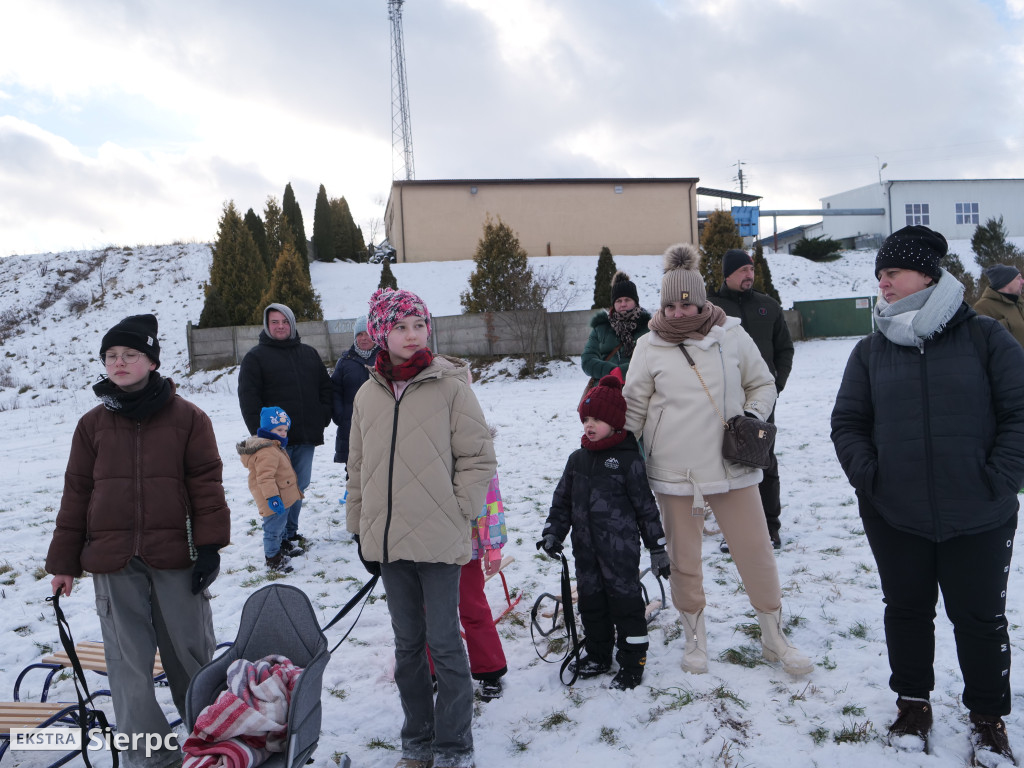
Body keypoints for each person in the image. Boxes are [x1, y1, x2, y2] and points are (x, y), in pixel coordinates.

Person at [831, 225, 1024, 763]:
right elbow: (847, 422)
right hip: (895, 513)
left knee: (981, 620)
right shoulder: (871, 351)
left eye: (892, 272)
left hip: (980, 512)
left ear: (927, 275)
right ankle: (912, 704)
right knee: (907, 611)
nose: (883, 283)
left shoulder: (986, 337)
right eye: (880, 275)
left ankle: (987, 719)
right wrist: (871, 478)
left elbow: (1019, 412)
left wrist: (999, 477)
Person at [45, 314, 230, 768]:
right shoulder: (92, 426)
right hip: (113, 561)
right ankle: (149, 760)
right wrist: (63, 562)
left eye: (130, 355)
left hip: (176, 558)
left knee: (191, 658)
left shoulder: (189, 418)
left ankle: (213, 747)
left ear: (151, 361)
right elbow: (77, 494)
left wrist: (208, 548)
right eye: (111, 356)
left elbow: (206, 485)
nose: (120, 362)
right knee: (128, 669)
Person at [623, 243, 812, 677]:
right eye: (668, 305)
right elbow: (633, 407)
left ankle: (773, 637)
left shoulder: (733, 335)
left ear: (702, 301)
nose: (676, 314)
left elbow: (763, 384)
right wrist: (614, 453)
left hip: (734, 465)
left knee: (757, 553)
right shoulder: (648, 347)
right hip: (676, 473)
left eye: (685, 304)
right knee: (684, 560)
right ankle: (694, 639)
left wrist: (751, 418)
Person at [346, 288, 496, 768]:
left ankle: (454, 746)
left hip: (439, 537)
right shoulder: (367, 394)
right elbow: (357, 467)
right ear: (379, 333)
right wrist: (361, 528)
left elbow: (478, 457)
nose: (412, 335)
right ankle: (418, 739)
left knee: (445, 643)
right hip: (389, 544)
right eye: (400, 327)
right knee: (407, 647)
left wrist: (459, 509)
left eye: (418, 325)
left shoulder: (450, 385)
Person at [539, 370, 670, 690]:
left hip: (620, 553)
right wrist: (553, 532)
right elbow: (562, 502)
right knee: (591, 605)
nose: (589, 424)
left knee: (626, 606)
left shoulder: (628, 461)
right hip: (585, 553)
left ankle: (632, 661)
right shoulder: (577, 461)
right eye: (586, 418)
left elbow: (646, 507)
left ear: (614, 422)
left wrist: (657, 547)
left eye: (597, 418)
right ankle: (598, 653)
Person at [713, 249, 794, 551]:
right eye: (743, 270)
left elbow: (784, 350)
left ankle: (770, 528)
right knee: (726, 465)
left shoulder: (768, 306)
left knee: (765, 462)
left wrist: (775, 387)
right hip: (722, 402)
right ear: (727, 274)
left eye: (751, 269)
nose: (749, 274)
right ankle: (732, 530)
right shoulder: (711, 308)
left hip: (761, 402)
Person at [238, 302, 332, 553]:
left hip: (306, 436)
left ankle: (290, 533)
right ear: (267, 326)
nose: (280, 326)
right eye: (274, 322)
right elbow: (248, 398)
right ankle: (276, 540)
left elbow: (325, 388)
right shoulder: (255, 358)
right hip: (274, 442)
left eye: (284, 321)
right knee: (278, 489)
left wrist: (322, 416)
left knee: (299, 486)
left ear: (292, 324)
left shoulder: (309, 353)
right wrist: (262, 437)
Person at [429, 470, 510, 702]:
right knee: (426, 610)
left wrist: (493, 546)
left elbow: (489, 496)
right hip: (424, 546)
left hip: (463, 548)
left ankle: (489, 668)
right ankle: (429, 668)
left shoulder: (473, 444)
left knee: (472, 607)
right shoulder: (419, 438)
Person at [236, 406, 303, 573]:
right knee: (272, 529)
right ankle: (273, 559)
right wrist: (272, 498)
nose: (283, 433)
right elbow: (265, 478)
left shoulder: (274, 446)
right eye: (279, 429)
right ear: (267, 428)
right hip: (272, 499)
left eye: (285, 430)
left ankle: (282, 546)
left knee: (280, 526)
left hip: (281, 496)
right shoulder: (267, 451)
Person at [331, 315, 379, 496]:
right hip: (350, 423)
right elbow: (334, 389)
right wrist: (340, 415)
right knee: (353, 463)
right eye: (360, 334)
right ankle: (353, 495)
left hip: (379, 422)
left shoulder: (385, 357)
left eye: (368, 333)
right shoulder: (345, 361)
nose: (364, 338)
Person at [581, 271, 651, 382]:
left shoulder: (648, 328)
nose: (623, 304)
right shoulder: (600, 328)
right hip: (606, 387)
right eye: (618, 300)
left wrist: (622, 372)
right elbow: (587, 360)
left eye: (627, 300)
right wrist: (611, 372)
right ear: (613, 304)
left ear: (636, 302)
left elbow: (652, 361)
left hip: (639, 387)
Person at [973, 263, 1024, 348]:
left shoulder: (1020, 303)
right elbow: (980, 343)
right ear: (1006, 282)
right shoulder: (983, 307)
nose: (1022, 281)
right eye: (1018, 278)